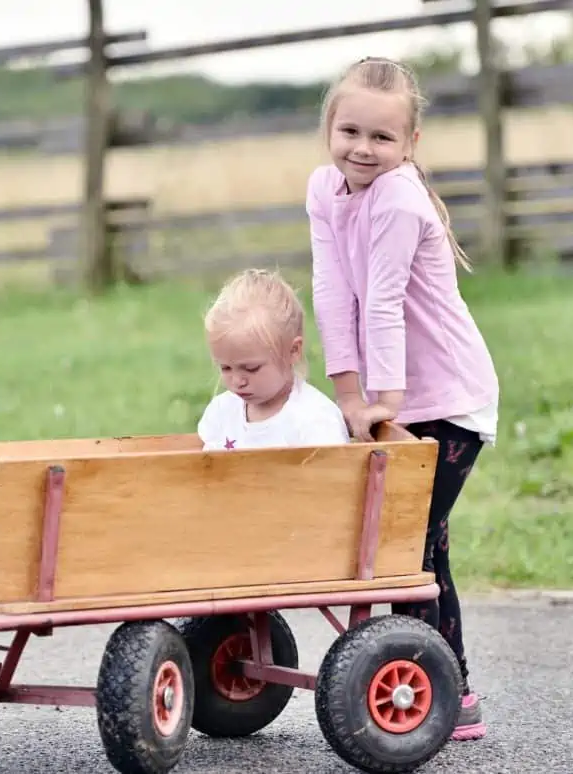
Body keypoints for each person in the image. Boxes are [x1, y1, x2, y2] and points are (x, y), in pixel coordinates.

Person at [306, 55, 499, 742]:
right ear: (329, 127)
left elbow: (384, 303)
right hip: (395, 396)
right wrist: (348, 395)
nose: (363, 149)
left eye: (382, 138)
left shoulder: (398, 197)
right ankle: (425, 682)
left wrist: (383, 403)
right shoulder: (325, 191)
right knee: (408, 543)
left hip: (447, 396)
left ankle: (450, 691)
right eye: (349, 130)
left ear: (410, 144)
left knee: (413, 543)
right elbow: (334, 293)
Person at [197, 268, 350, 451]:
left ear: (293, 351)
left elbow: (332, 475)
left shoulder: (315, 420)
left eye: (251, 368)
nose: (237, 381)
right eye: (226, 368)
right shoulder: (221, 413)